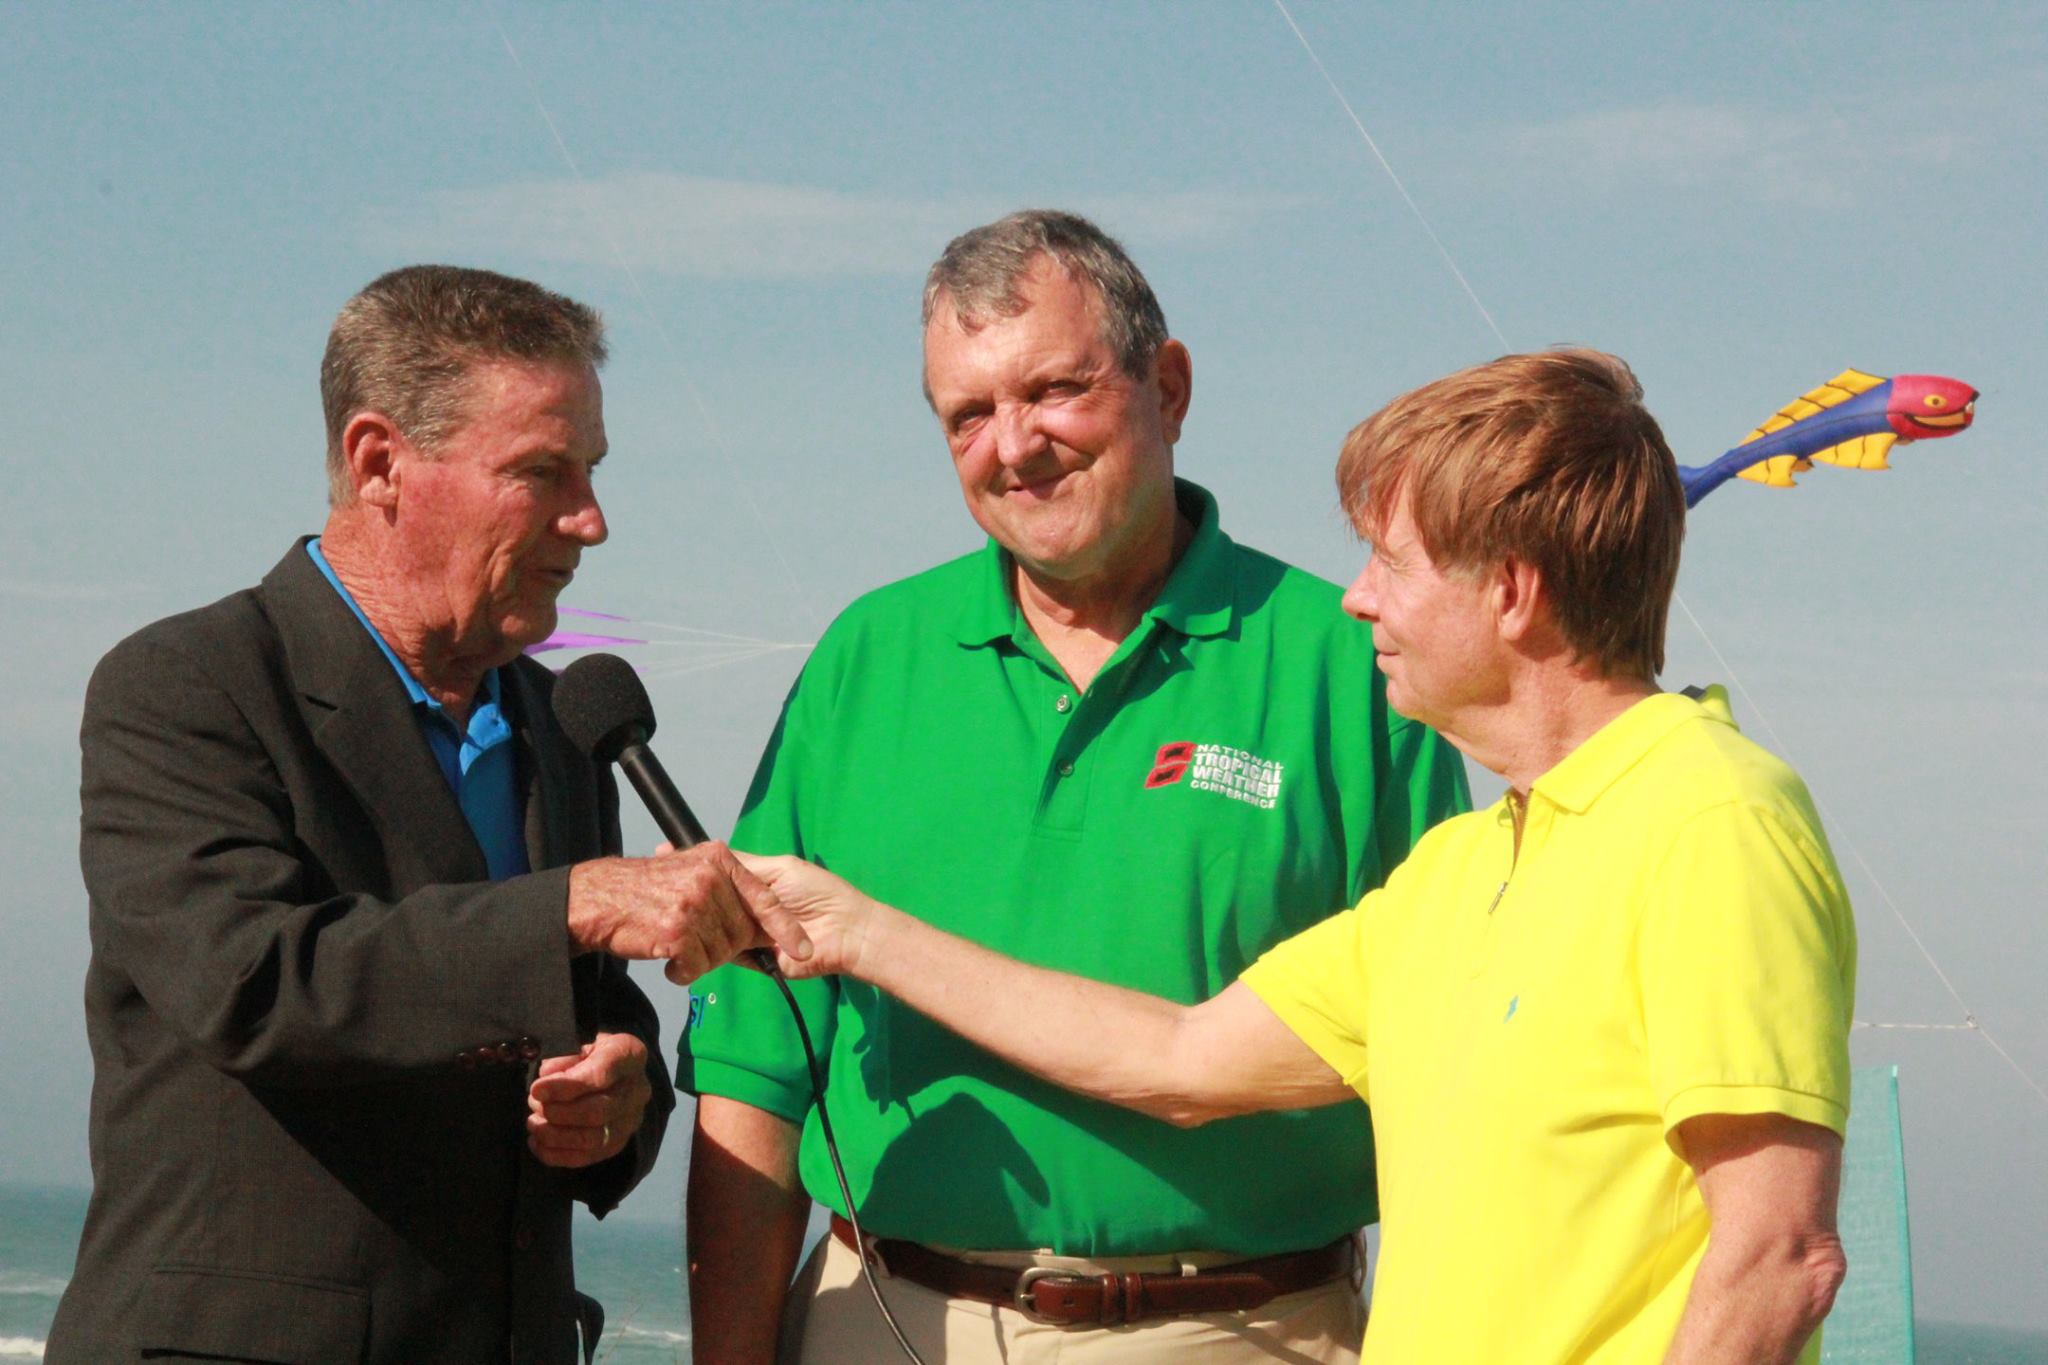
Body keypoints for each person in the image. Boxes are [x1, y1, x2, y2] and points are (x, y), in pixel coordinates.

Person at [744, 349, 1858, 1364]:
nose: (1358, 599)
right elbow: (1176, 1055)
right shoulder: (1463, 868)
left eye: (1392, 563)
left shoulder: (1711, 817)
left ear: (1512, 593)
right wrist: (856, 932)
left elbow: (1778, 1259)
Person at [679, 210, 1468, 1363]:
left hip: (1242, 1331)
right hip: (885, 1316)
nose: (1013, 445)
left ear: (1169, 388)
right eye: (967, 415)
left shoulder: (1347, 666)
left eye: (1054, 390)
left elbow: (1447, 1068)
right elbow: (754, 1062)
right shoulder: (865, 659)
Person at [49, 265, 808, 1364]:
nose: (590, 520)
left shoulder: (565, 728)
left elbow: (593, 1010)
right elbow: (251, 984)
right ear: (379, 464)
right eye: (541, 471)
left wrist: (620, 1097)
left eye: (591, 470)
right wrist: (571, 906)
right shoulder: (187, 684)